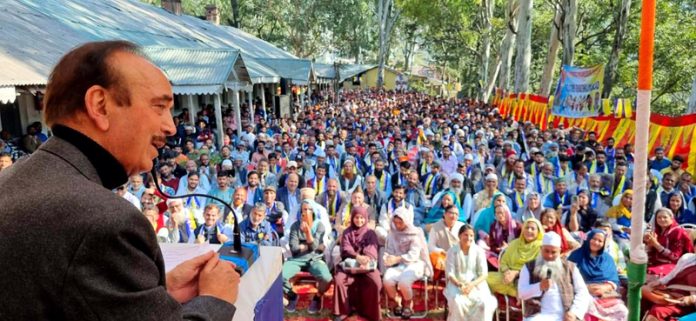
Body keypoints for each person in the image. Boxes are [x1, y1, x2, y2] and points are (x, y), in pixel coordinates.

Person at [0, 41, 238, 319]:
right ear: (100, 106)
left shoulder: (16, 178)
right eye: (159, 107)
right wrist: (215, 299)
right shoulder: (103, 221)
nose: (171, 127)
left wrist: (156, 291)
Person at [518, 232, 592, 321]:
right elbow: (522, 293)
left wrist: (574, 312)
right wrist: (539, 286)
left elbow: (583, 292)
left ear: (559, 251)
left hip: (566, 316)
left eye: (553, 252)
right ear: (541, 249)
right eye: (546, 251)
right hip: (538, 316)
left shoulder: (570, 267)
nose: (549, 255)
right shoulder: (528, 267)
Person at [332, 206, 382, 321]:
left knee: (376, 281)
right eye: (356, 217)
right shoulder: (347, 232)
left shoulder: (371, 233)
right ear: (352, 218)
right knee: (339, 280)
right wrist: (357, 256)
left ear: (366, 218)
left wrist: (366, 258)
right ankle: (343, 311)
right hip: (349, 264)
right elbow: (345, 249)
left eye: (362, 218)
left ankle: (370, 311)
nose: (359, 220)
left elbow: (372, 249)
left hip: (366, 265)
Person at [382, 207, 433, 319]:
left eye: (400, 222)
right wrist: (387, 258)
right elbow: (388, 251)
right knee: (387, 279)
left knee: (404, 282)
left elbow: (414, 255)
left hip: (415, 263)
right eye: (395, 222)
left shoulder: (415, 232)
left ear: (406, 220)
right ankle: (397, 301)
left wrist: (397, 259)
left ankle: (408, 303)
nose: (398, 225)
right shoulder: (392, 233)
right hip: (398, 265)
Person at [283, 200, 333, 314]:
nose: (306, 212)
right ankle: (292, 295)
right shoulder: (295, 226)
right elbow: (294, 248)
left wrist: (307, 233)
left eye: (309, 209)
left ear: (314, 211)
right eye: (304, 210)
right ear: (300, 212)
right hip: (297, 259)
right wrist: (309, 246)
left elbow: (315, 247)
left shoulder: (319, 225)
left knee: (327, 278)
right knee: (280, 275)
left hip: (315, 259)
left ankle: (318, 296)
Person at [568, 230, 628, 321]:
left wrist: (605, 287)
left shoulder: (607, 258)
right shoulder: (576, 256)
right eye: (594, 239)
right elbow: (568, 278)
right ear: (588, 239)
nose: (596, 243)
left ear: (604, 244)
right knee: (584, 311)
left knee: (622, 311)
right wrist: (585, 288)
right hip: (582, 294)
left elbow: (614, 279)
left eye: (600, 241)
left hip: (605, 295)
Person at [444, 224, 498, 321]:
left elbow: (483, 274)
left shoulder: (479, 251)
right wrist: (460, 284)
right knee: (457, 302)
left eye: (471, 235)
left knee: (484, 303)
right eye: (465, 235)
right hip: (457, 284)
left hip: (476, 284)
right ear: (459, 235)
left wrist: (471, 285)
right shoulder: (452, 251)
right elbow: (450, 273)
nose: (468, 238)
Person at [487, 218, 544, 297]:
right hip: (507, 277)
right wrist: (507, 272)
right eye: (526, 228)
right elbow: (503, 262)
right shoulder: (515, 243)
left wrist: (516, 273)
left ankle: (518, 293)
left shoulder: (541, 247)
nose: (529, 231)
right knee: (484, 279)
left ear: (538, 232)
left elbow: (536, 268)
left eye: (533, 229)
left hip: (527, 280)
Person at [642, 253, 696, 321]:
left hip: (687, 302)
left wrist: (692, 299)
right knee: (640, 296)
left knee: (657, 311)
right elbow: (672, 274)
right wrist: (660, 282)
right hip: (672, 292)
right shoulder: (687, 257)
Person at [644, 208, 695, 276]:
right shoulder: (657, 232)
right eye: (659, 217)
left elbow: (675, 257)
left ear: (671, 218)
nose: (662, 219)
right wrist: (649, 244)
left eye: (665, 217)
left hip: (674, 264)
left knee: (650, 273)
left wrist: (656, 244)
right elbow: (651, 253)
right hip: (655, 262)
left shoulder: (678, 232)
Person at [428, 205, 465, 280]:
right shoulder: (436, 227)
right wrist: (442, 251)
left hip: (459, 255)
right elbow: (431, 246)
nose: (454, 216)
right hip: (443, 256)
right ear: (444, 214)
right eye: (451, 213)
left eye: (456, 214)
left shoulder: (462, 227)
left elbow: (469, 244)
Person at [480, 203, 520, 269]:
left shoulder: (517, 226)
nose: (499, 215)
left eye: (501, 212)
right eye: (497, 213)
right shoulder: (494, 226)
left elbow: (520, 242)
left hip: (514, 253)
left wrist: (509, 247)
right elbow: (492, 245)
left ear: (507, 213)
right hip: (499, 254)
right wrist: (500, 249)